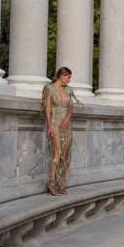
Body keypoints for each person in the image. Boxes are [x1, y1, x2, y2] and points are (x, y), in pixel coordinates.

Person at [42, 67, 78, 196]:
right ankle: (51, 182)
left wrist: (66, 121)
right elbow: (47, 108)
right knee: (57, 153)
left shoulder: (69, 90)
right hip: (54, 124)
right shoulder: (49, 88)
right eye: (68, 77)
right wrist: (49, 126)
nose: (69, 80)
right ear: (62, 75)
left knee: (66, 156)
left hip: (66, 125)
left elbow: (71, 108)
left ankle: (61, 183)